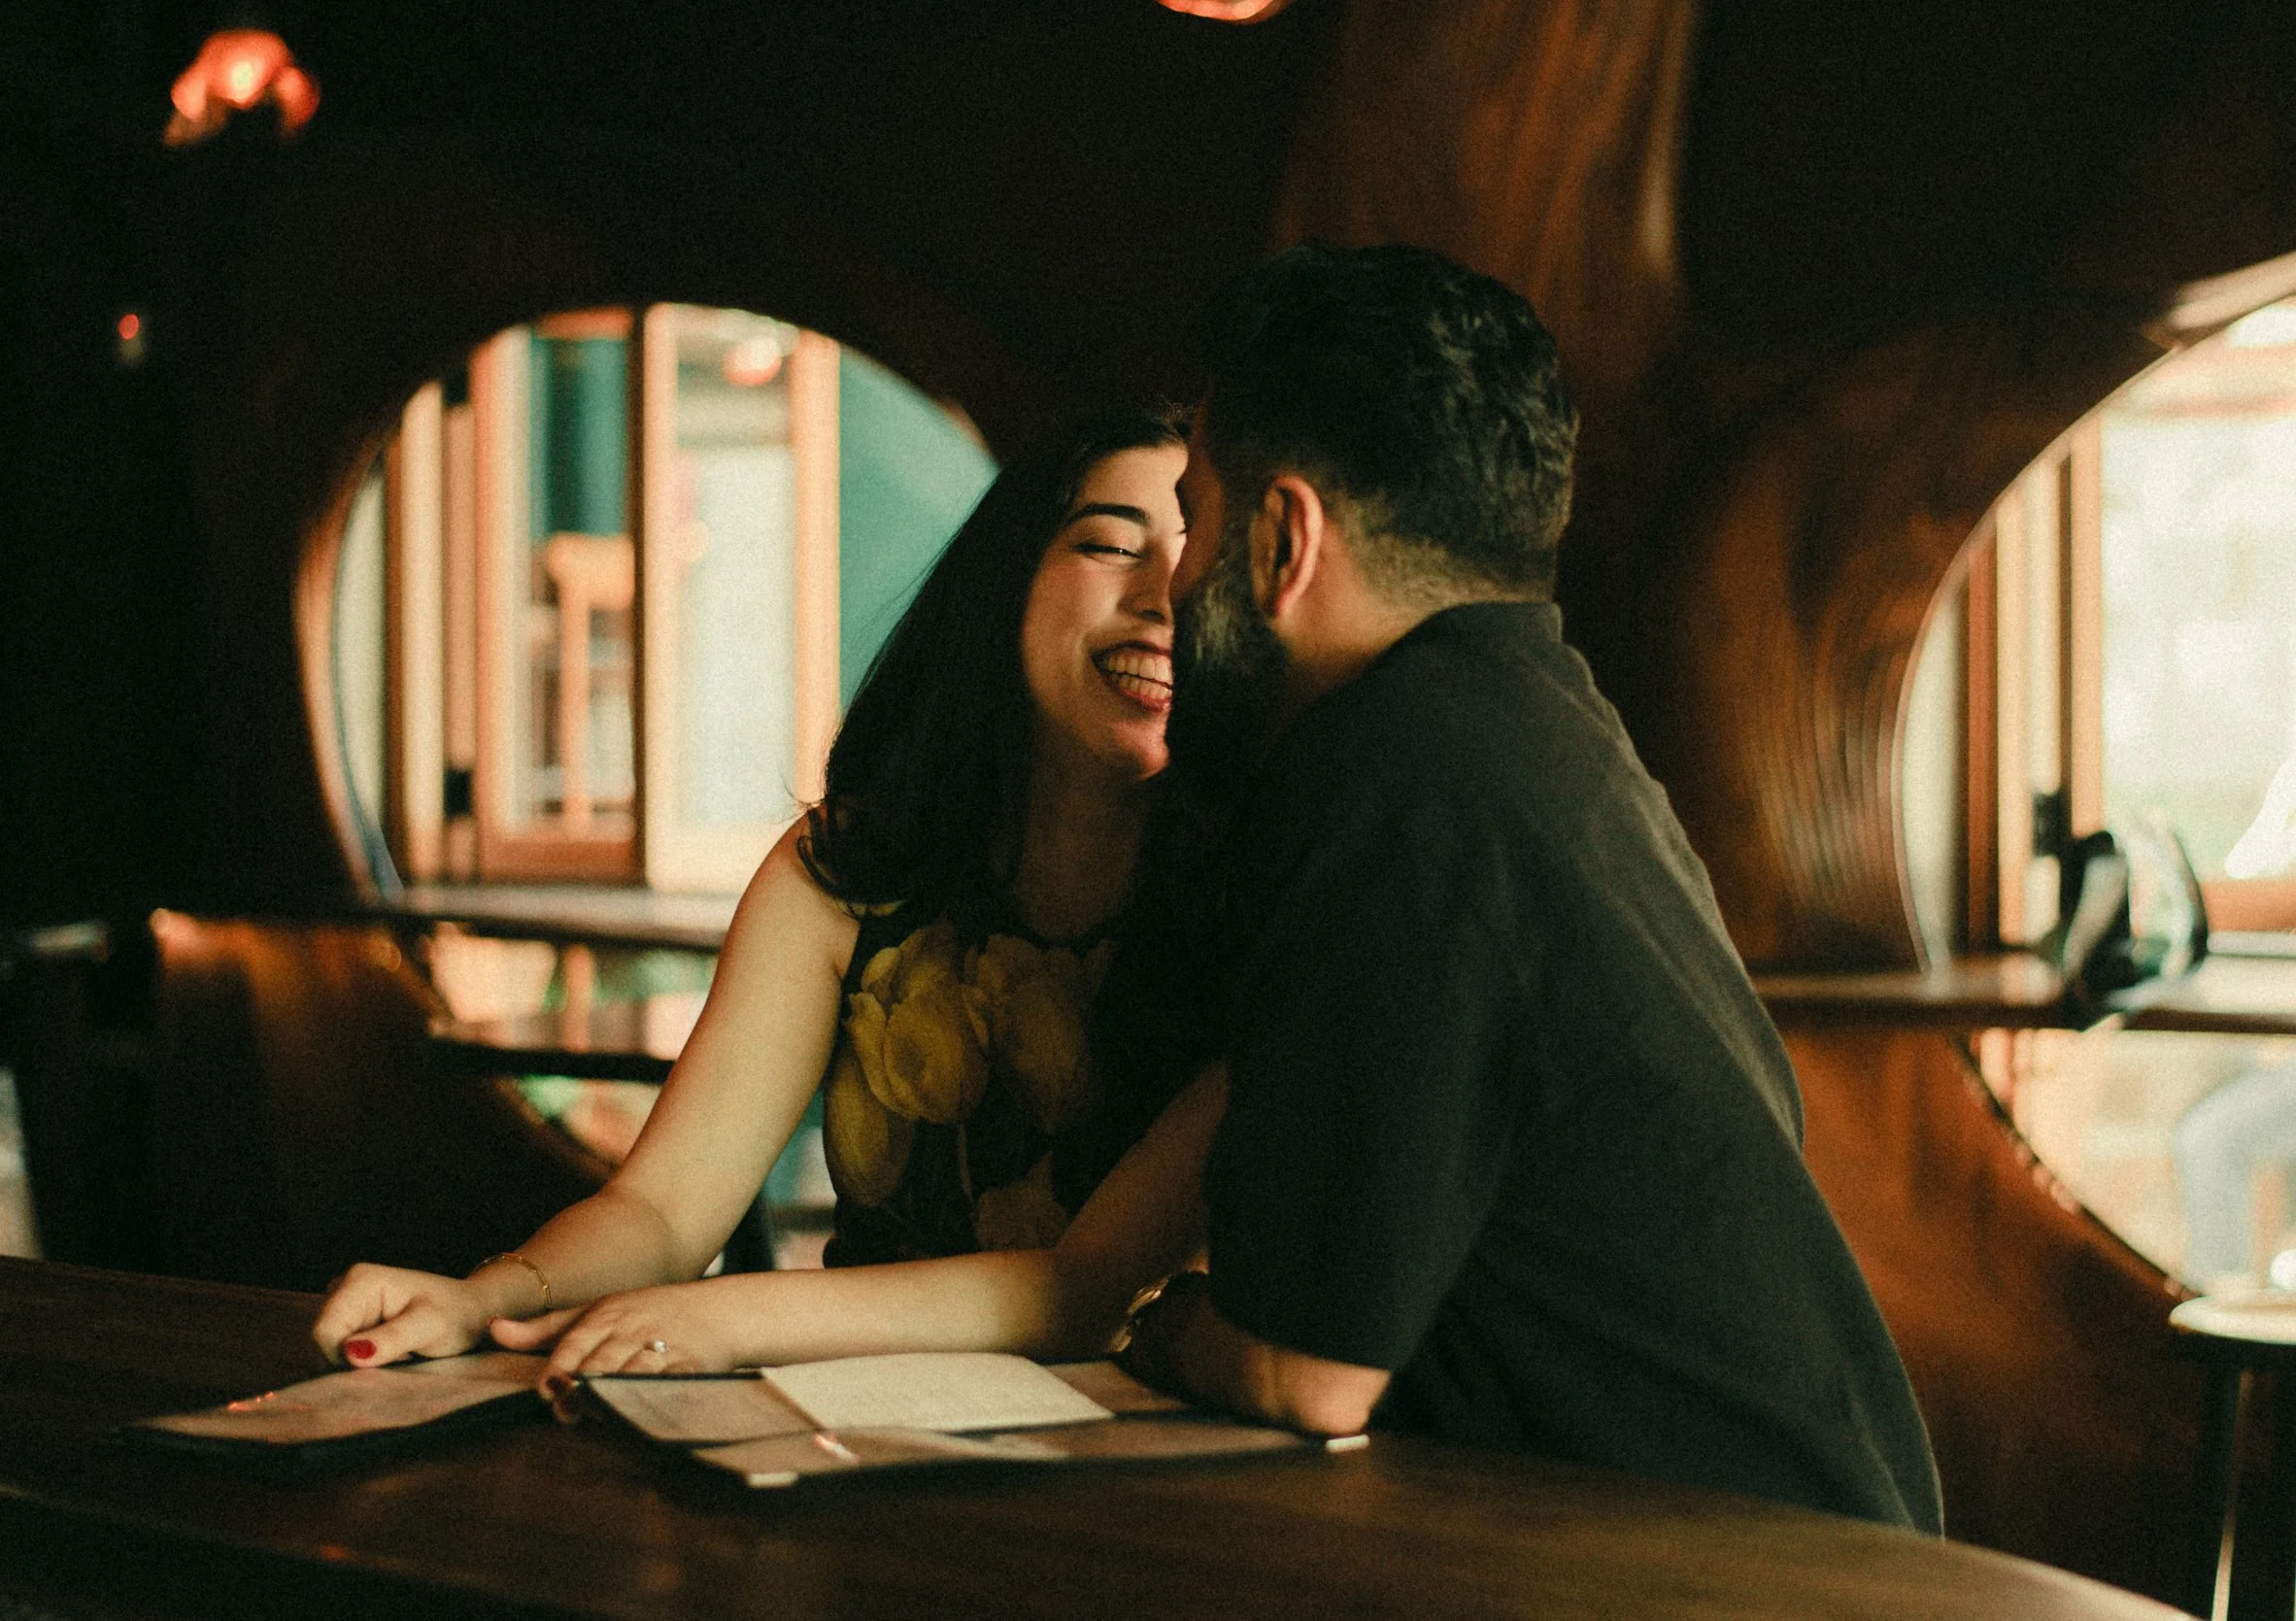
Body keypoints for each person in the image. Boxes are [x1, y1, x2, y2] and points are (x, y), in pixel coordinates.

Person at [1115, 243, 1945, 1533]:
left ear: (1283, 539)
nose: (1172, 580)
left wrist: (1163, 1333)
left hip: (1735, 1587)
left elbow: (1303, 1373)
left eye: (1195, 517)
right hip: (1814, 1552)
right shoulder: (1532, 723)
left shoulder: (1388, 775)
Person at [313, 407, 1203, 1372]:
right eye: (1111, 544)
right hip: (851, 1442)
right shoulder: (852, 870)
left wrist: (736, 1318)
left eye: (1202, 566)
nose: (1161, 597)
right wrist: (479, 1298)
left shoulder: (1257, 899)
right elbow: (661, 1208)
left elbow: (1089, 1289)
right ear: (1009, 578)